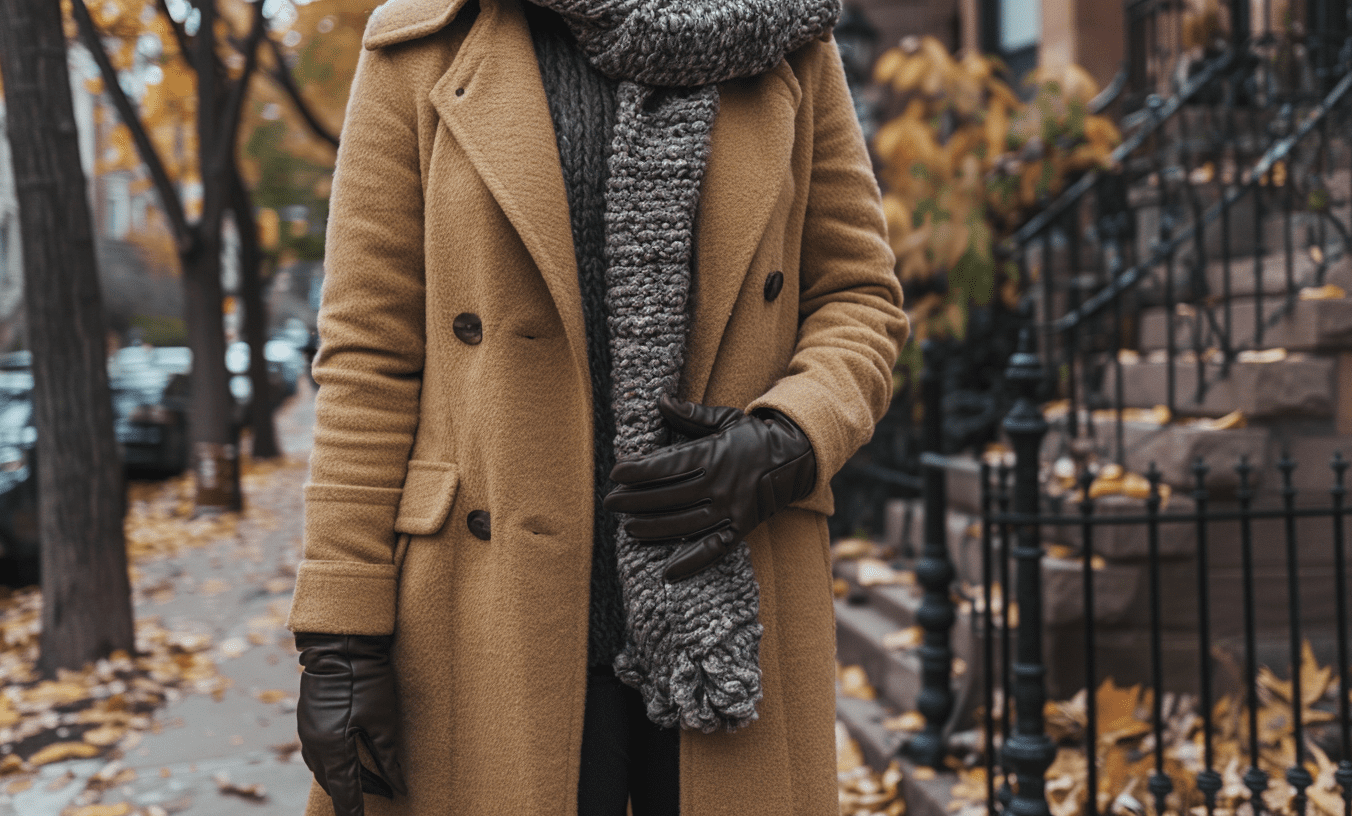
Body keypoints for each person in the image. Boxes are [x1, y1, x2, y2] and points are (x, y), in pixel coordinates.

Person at [286, 0, 909, 814]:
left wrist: (790, 436)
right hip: (488, 613)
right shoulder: (425, 43)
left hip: (725, 603)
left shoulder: (787, 39)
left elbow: (859, 297)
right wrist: (339, 632)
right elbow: (368, 355)